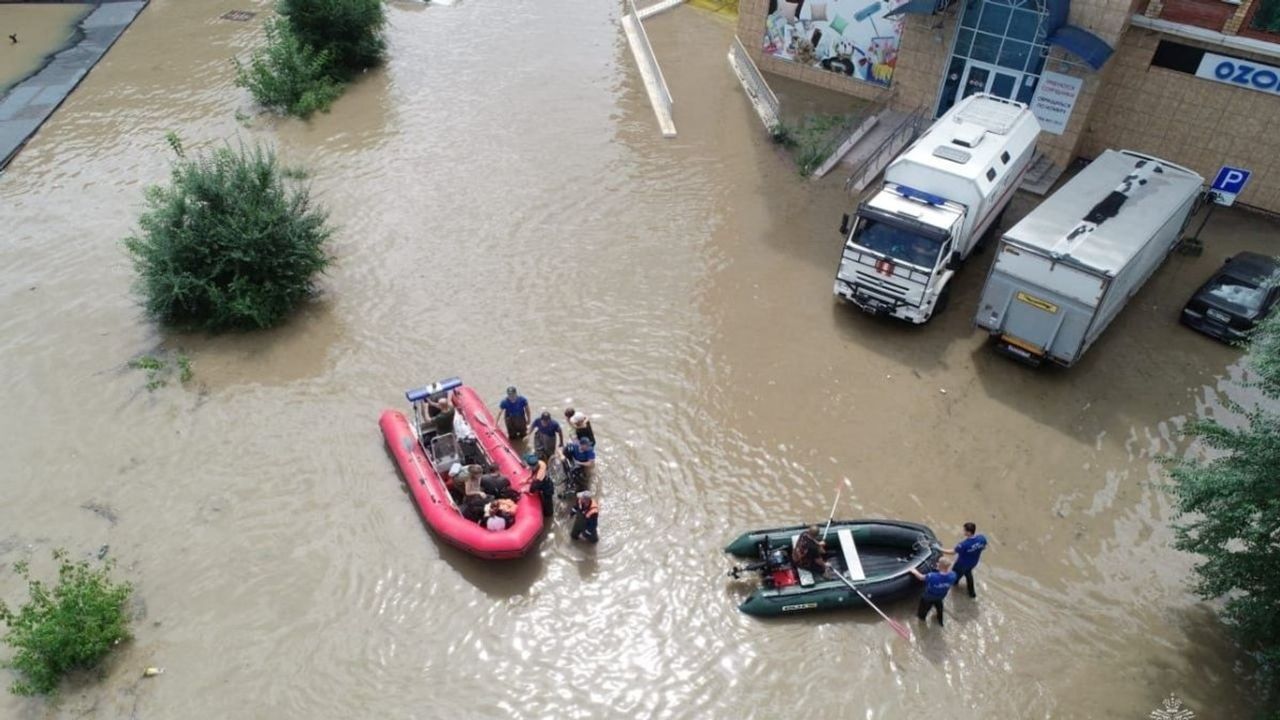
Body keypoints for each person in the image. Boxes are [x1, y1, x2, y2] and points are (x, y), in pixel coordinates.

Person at [942, 522, 988, 599]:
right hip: (973, 563)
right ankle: (972, 593)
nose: (963, 531)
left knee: (955, 577)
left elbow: (952, 552)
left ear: (968, 532)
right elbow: (984, 547)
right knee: (968, 573)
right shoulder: (982, 538)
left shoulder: (964, 544)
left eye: (964, 530)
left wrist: (940, 549)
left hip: (961, 564)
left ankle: (954, 587)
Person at [910, 557, 957, 626]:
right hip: (941, 595)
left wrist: (914, 571)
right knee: (939, 604)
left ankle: (921, 619)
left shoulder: (932, 576)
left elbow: (921, 577)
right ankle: (940, 620)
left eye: (938, 563)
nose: (937, 563)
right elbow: (947, 573)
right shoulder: (953, 575)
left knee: (923, 610)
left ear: (940, 566)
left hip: (928, 596)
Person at [525, 453, 554, 517]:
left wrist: (527, 490)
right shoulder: (540, 463)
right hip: (544, 483)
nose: (528, 467)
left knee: (548, 504)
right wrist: (527, 480)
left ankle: (548, 514)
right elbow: (533, 472)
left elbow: (532, 489)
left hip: (547, 488)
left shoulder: (539, 476)